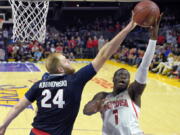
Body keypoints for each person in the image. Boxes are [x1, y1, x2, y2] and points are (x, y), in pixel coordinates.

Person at [0, 13, 137, 135]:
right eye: (66, 61)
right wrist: (128, 28)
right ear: (60, 69)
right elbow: (104, 54)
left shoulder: (40, 85)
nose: (70, 61)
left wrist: (3, 126)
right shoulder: (75, 80)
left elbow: (18, 106)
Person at [83, 15, 163, 135]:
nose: (123, 77)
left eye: (126, 76)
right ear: (113, 79)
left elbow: (144, 65)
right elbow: (86, 111)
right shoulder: (102, 95)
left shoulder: (132, 93)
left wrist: (153, 39)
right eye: (120, 74)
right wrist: (94, 106)